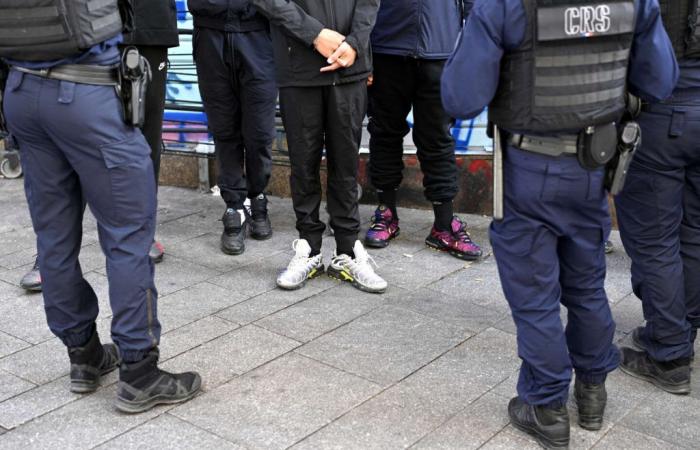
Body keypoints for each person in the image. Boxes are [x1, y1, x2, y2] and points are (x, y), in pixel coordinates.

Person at [441, 0, 677, 447]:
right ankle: (592, 392)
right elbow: (660, 82)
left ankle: (545, 406)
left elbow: (461, 97)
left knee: (535, 297)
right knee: (587, 284)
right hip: (594, 168)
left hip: (529, 169)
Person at [1, 0, 201, 413]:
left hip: (23, 90)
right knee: (128, 234)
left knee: (53, 238)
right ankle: (140, 372)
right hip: (87, 92)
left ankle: (84, 355)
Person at [17, 0, 180, 293]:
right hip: (82, 28)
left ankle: (143, 234)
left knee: (144, 140)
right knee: (72, 141)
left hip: (147, 26)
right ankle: (53, 255)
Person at [250, 0, 388, 293]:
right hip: (297, 65)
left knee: (346, 163)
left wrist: (354, 44)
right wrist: (315, 34)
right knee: (303, 164)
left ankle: (348, 251)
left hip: (350, 66)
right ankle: (309, 249)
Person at [615, 1, 700, 395]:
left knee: (654, 240)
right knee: (694, 232)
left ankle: (669, 353)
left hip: (665, 108)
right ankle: (681, 334)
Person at [364, 0, 482, 262]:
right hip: (386, 49)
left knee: (437, 139)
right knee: (384, 134)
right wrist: (362, 49)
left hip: (440, 52)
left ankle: (444, 225)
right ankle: (386, 214)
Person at [188, 0, 277, 256]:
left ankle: (257, 196)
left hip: (259, 36)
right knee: (224, 130)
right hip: (209, 34)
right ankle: (234, 207)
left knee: (260, 133)